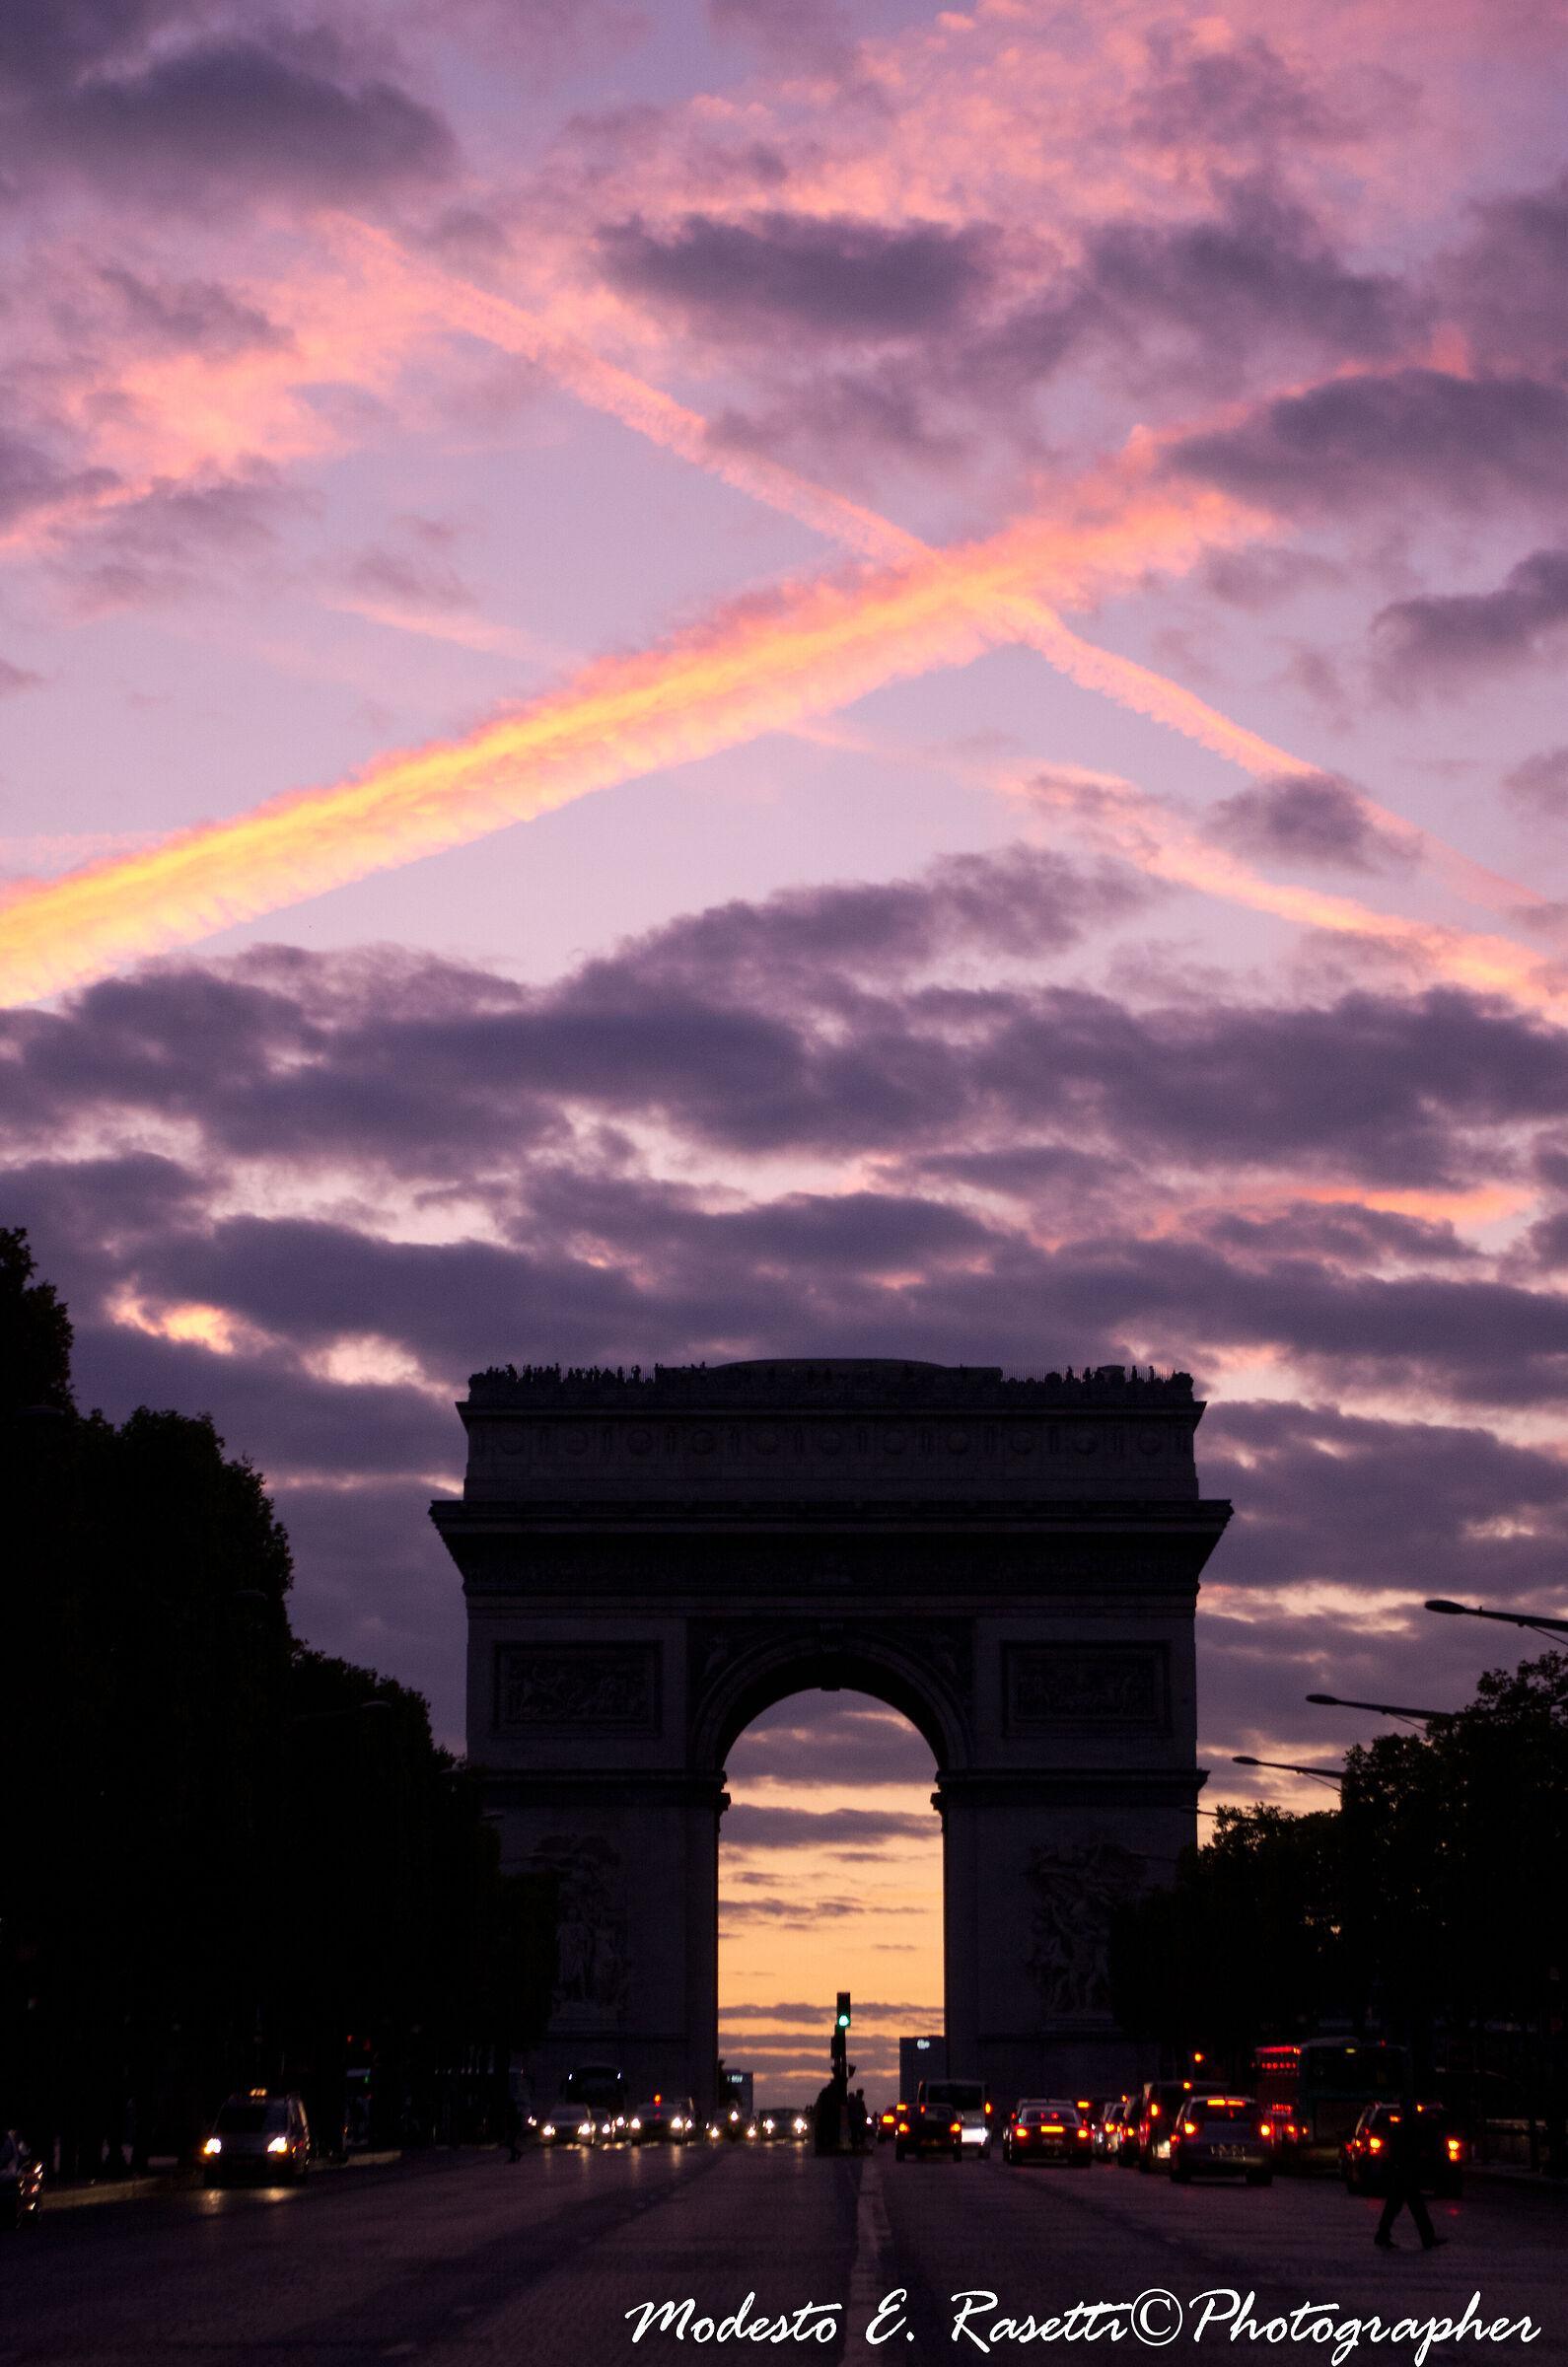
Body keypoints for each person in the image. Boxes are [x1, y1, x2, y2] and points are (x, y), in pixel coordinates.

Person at [1375, 2106, 1445, 2251]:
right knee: (1415, 2207)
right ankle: (1427, 2238)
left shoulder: (1399, 2128)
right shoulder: (1411, 2128)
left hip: (1400, 2172)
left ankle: (1382, 2235)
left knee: (1394, 2207)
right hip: (1406, 2173)